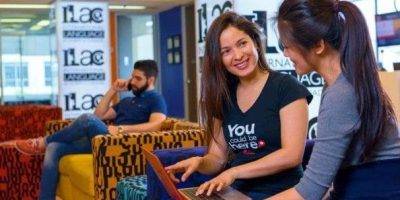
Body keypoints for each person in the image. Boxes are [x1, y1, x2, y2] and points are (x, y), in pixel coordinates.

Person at [165, 12, 312, 199]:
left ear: (255, 42)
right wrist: (200, 162)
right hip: (237, 193)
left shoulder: (287, 87)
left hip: (284, 193)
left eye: (242, 43)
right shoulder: (223, 95)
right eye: (226, 51)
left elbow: (292, 155)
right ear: (219, 59)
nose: (238, 55)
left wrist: (233, 172)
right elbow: (217, 158)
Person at [269, 0, 400, 199]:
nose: (286, 53)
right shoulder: (344, 82)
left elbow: (309, 192)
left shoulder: (341, 93)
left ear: (318, 45)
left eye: (287, 46)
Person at [16, 59, 167, 200]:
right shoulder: (128, 100)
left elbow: (157, 124)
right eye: (132, 77)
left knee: (87, 119)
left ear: (151, 80)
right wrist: (113, 89)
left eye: (138, 79)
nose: (133, 82)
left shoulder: (156, 99)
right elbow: (99, 115)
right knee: (54, 147)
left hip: (122, 144)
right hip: (103, 140)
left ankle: (42, 142)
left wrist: (122, 129)